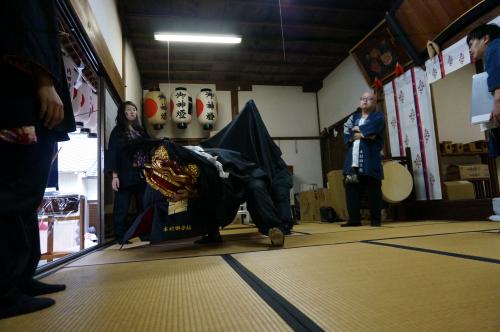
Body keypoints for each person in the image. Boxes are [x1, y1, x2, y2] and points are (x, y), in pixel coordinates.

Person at [122, 100, 291, 247]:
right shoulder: (174, 164)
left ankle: (273, 229)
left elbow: (202, 184)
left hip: (244, 174)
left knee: (255, 190)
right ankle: (212, 234)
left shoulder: (191, 164)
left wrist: (186, 193)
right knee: (205, 201)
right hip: (220, 181)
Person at [0, 0, 76, 318]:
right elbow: (23, 29)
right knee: (13, 192)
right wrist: (44, 81)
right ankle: (4, 291)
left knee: (28, 197)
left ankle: (21, 279)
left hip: (25, 92)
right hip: (19, 92)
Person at [105, 101, 149, 244]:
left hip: (141, 174)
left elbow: (148, 150)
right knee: (122, 207)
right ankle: (121, 236)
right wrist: (114, 176)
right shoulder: (117, 132)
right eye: (129, 110)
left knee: (144, 205)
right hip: (124, 175)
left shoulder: (141, 131)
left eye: (134, 110)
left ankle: (144, 233)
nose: (132, 112)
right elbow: (112, 154)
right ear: (123, 113)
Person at [341, 92, 385, 227]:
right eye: (363, 99)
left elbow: (374, 128)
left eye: (370, 99)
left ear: (375, 103)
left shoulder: (378, 116)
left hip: (370, 158)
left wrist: (360, 130)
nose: (366, 101)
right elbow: (347, 131)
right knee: (351, 188)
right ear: (360, 102)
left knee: (373, 189)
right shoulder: (353, 117)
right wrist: (358, 135)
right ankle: (354, 220)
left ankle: (375, 219)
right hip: (352, 159)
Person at [467, 23, 500, 156]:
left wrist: (497, 101)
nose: (470, 49)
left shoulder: (494, 46)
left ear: (485, 39)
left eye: (471, 44)